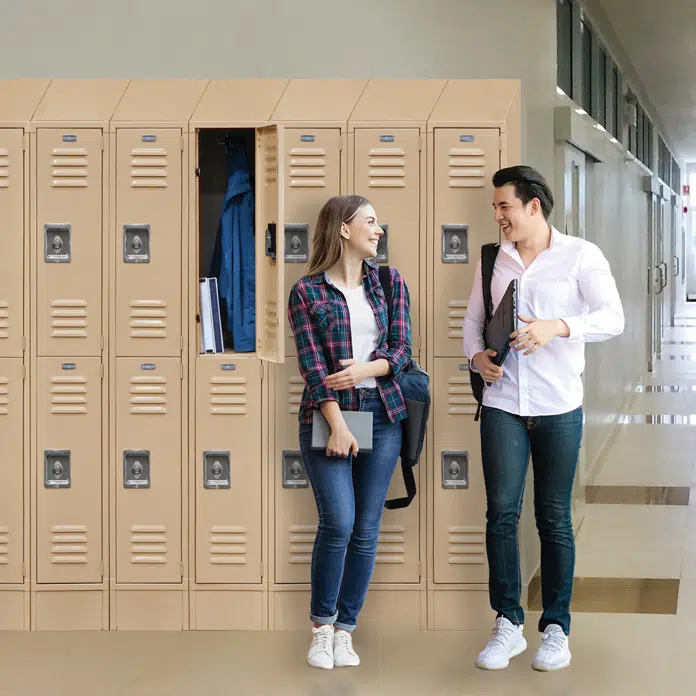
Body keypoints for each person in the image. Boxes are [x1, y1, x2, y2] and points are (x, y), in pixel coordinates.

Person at [463, 165, 624, 672]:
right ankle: (508, 623)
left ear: (534, 206)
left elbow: (612, 318)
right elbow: (472, 322)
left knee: (553, 519)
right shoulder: (494, 259)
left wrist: (559, 325)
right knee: (501, 515)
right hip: (503, 405)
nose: (497, 216)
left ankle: (555, 627)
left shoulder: (580, 255)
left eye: (504, 206)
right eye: (495, 208)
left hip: (557, 407)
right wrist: (476, 359)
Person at [287, 195, 412, 670]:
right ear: (343, 229)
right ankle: (321, 627)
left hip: (382, 412)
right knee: (338, 522)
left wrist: (364, 370)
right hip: (329, 415)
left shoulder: (388, 281)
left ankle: (345, 630)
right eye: (370, 222)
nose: (378, 231)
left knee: (366, 529)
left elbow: (401, 350)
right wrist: (337, 423)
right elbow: (312, 366)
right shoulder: (308, 292)